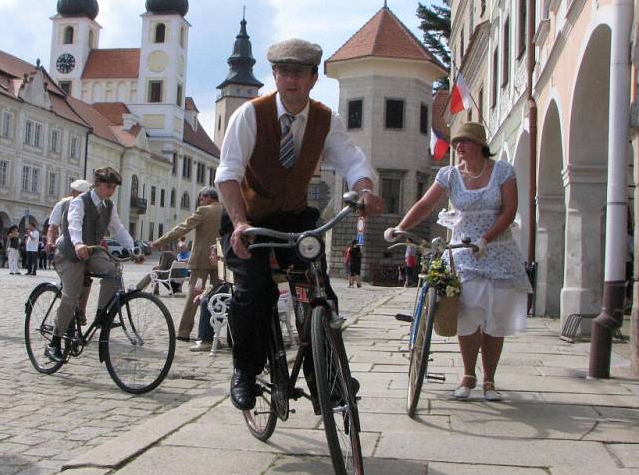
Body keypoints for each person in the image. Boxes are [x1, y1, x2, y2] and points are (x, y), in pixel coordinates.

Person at [215, 37, 384, 411]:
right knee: (255, 291)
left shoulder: (325, 120)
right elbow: (227, 173)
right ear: (274, 75)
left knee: (318, 291)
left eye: (300, 73)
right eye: (283, 71)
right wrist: (240, 222)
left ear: (312, 78)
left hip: (293, 217)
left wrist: (365, 189)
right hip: (247, 217)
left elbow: (352, 161)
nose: (291, 80)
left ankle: (327, 379)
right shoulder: (250, 115)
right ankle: (245, 369)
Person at [384, 122, 531, 402]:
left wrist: (486, 239)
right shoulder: (449, 175)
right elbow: (426, 204)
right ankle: (468, 374)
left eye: (465, 141)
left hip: (498, 249)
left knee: (494, 319)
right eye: (456, 142)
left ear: (480, 144)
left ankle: (489, 379)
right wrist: (400, 227)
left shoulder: (502, 171)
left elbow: (509, 211)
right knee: (467, 313)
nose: (459, 146)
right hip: (464, 251)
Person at [45, 167, 144, 362]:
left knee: (113, 271)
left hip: (91, 252)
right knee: (71, 296)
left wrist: (132, 249)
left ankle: (102, 314)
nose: (112, 190)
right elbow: (73, 224)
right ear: (97, 184)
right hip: (70, 253)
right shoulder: (79, 202)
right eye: (109, 186)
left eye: (114, 187)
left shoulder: (109, 205)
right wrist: (78, 243)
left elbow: (118, 229)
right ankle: (54, 342)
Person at [151, 186, 222, 342]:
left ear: (207, 197)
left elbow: (182, 229)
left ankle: (184, 332)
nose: (199, 201)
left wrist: (158, 243)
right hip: (219, 261)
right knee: (218, 297)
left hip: (201, 261)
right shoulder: (226, 210)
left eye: (200, 198)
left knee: (194, 295)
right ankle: (213, 334)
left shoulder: (204, 210)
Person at [46, 179, 93, 322]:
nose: (83, 198)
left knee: (86, 279)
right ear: (73, 193)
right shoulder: (62, 204)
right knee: (70, 288)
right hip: (65, 249)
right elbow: (53, 227)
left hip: (84, 250)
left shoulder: (91, 206)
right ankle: (61, 321)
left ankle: (81, 312)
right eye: (79, 194)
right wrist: (50, 242)